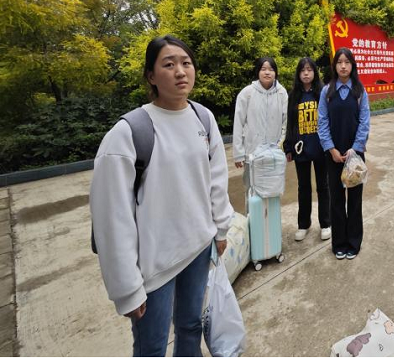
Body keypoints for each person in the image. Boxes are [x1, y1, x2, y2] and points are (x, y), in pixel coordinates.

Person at [90, 35, 234, 356]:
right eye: (168, 65)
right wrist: (127, 289)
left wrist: (220, 229)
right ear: (151, 77)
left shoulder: (203, 118)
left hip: (197, 249)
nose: (180, 71)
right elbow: (112, 218)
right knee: (152, 347)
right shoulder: (128, 133)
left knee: (190, 327)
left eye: (186, 63)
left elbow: (216, 181)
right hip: (154, 267)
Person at [318, 48, 370, 260]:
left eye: (347, 62)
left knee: (355, 200)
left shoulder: (359, 90)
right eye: (339, 62)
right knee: (336, 200)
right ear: (335, 65)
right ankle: (339, 243)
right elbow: (322, 122)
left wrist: (355, 148)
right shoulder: (327, 91)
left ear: (352, 65)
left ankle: (353, 242)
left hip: (354, 156)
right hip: (333, 156)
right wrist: (330, 148)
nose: (343, 66)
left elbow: (365, 121)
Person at [284, 57, 331, 242]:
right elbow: (290, 122)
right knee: (303, 187)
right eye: (302, 70)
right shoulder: (293, 95)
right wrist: (288, 146)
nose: (306, 73)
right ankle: (303, 225)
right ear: (298, 73)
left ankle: (326, 224)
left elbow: (328, 120)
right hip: (300, 149)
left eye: (309, 70)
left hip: (320, 148)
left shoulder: (322, 93)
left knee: (323, 187)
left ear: (314, 72)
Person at [232, 56, 288, 169]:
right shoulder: (247, 93)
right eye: (263, 69)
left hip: (274, 154)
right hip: (251, 154)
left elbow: (285, 123)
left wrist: (279, 147)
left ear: (275, 73)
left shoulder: (282, 93)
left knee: (274, 186)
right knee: (251, 186)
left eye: (271, 69)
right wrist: (238, 154)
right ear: (258, 71)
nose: (267, 72)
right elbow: (238, 123)